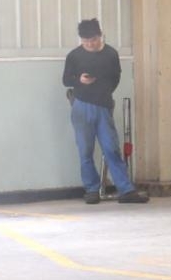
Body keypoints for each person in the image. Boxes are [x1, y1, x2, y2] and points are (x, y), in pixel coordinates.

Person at [62, 18, 149, 205]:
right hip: (81, 106)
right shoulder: (74, 56)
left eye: (93, 40)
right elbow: (66, 80)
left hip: (103, 106)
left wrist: (104, 92)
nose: (90, 44)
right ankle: (91, 189)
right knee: (85, 150)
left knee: (111, 148)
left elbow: (115, 78)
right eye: (85, 41)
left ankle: (125, 189)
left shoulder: (110, 54)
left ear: (100, 35)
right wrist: (79, 80)